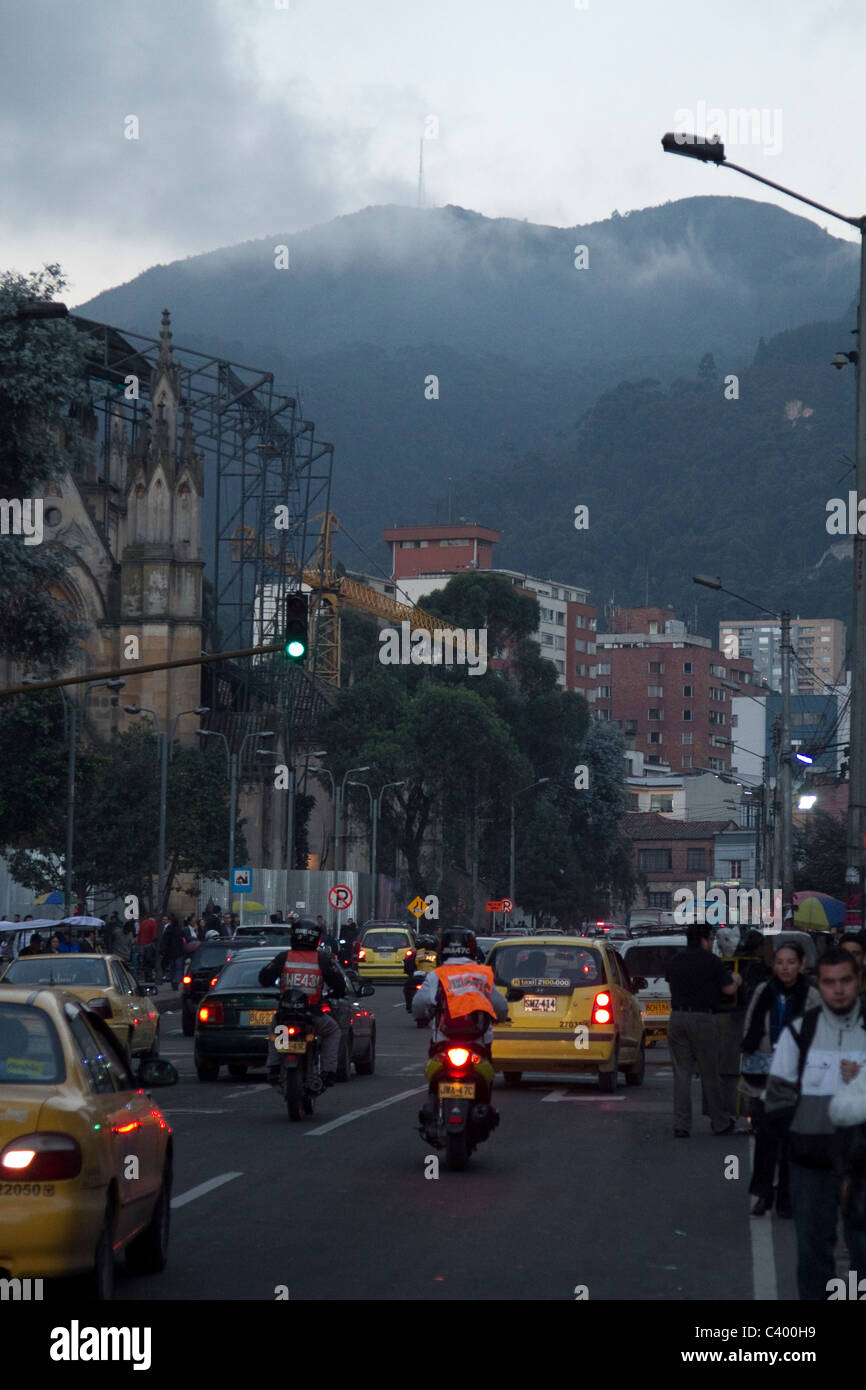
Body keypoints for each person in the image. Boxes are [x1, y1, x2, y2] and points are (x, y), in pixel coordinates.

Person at [764, 947, 866, 1300]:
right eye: (829, 982)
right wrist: (798, 1137)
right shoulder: (799, 1032)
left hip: (862, 1162)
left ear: (858, 981)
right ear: (818, 985)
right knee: (813, 1258)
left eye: (845, 981)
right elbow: (776, 1099)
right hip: (811, 1162)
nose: (838, 989)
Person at [739, 940, 820, 1217]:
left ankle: (787, 1197)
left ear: (802, 965)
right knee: (765, 1141)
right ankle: (763, 1195)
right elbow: (750, 1028)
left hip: (799, 1079)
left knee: (791, 1142)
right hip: (765, 1076)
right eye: (780, 962)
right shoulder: (764, 991)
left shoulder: (811, 996)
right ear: (773, 965)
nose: (785, 968)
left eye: (791, 962)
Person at [411, 925, 509, 1133]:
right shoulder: (482, 974)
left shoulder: (436, 975)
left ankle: (433, 1109)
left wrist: (422, 1014)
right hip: (478, 1043)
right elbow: (500, 1007)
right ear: (472, 948)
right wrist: (501, 1017)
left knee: (433, 1078)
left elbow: (418, 1005)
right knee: (487, 1077)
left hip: (443, 1042)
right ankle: (483, 1110)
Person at [665, 923, 741, 1137]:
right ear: (706, 939)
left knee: (681, 1075)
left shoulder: (675, 961)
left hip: (677, 1018)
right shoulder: (712, 961)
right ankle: (720, 1122)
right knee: (710, 1073)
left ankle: (681, 1125)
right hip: (704, 1019)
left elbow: (671, 984)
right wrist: (736, 980)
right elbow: (727, 989)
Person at [257, 919, 345, 1087]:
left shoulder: (284, 957)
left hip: (285, 1014)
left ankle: (274, 1068)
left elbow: (264, 978)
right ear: (316, 939)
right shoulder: (322, 959)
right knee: (333, 1031)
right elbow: (338, 983)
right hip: (312, 1014)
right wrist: (337, 993)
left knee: (275, 1029)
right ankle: (328, 1071)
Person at [160, 914, 186, 989]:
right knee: (178, 968)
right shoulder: (180, 930)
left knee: (173, 968)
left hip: (171, 952)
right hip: (179, 952)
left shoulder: (168, 930)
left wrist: (163, 951)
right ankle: (176, 981)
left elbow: (164, 941)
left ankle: (173, 981)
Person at [138, 912, 159, 981]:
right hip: (149, 944)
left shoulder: (143, 923)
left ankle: (145, 976)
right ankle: (149, 976)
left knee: (144, 961)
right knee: (149, 961)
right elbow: (154, 936)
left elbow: (139, 933)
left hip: (142, 944)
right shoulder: (154, 924)